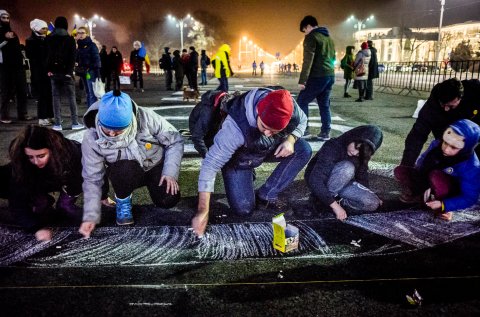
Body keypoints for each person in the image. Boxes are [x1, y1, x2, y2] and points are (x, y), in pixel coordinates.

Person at [191, 88, 312, 237]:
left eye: (275, 130)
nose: (268, 133)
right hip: (239, 158)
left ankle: (267, 194)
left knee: (303, 149)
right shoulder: (234, 128)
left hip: (262, 148)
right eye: (265, 127)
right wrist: (203, 210)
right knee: (243, 209)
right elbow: (210, 165)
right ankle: (238, 173)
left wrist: (290, 139)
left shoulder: (289, 106)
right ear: (258, 110)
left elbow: (303, 120)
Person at [79, 89, 184, 238]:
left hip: (154, 166)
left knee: (168, 200)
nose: (112, 134)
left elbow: (175, 140)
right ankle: (123, 200)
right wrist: (91, 214)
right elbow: (92, 175)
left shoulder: (147, 117)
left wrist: (170, 173)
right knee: (124, 168)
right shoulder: (91, 136)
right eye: (106, 129)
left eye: (118, 130)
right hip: (125, 172)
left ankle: (157, 186)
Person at [0, 125, 99, 241]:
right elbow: (17, 201)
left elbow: (93, 179)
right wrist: (36, 228)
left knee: (67, 208)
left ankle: (64, 203)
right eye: (30, 157)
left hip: (69, 176)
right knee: (39, 209)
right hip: (39, 179)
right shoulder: (21, 162)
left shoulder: (74, 153)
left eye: (41, 156)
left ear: (52, 151)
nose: (36, 161)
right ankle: (42, 200)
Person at [394, 119, 480, 221]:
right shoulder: (436, 144)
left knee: (436, 176)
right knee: (401, 171)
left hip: (450, 188)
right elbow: (422, 161)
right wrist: (418, 184)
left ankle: (445, 209)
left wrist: (445, 205)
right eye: (445, 142)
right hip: (432, 177)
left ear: (466, 148)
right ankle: (420, 194)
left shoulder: (472, 166)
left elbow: (470, 197)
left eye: (453, 147)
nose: (446, 149)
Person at [305, 125, 383, 220]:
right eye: (356, 148)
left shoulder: (361, 155)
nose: (354, 153)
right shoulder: (333, 146)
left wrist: (370, 192)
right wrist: (335, 207)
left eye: (359, 153)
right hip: (321, 182)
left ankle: (337, 201)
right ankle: (321, 202)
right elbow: (315, 180)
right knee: (347, 167)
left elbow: (362, 175)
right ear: (353, 138)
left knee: (372, 203)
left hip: (344, 183)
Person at [400, 78, 480, 168]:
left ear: (461, 97)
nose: (446, 109)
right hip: (446, 135)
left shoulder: (475, 91)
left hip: (471, 133)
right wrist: (407, 164)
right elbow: (417, 135)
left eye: (450, 105)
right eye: (443, 104)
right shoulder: (432, 107)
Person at [296, 15, 336, 141]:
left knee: (302, 101)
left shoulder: (311, 37)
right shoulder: (328, 38)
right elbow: (333, 57)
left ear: (308, 26)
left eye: (304, 30)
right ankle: (325, 132)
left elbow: (308, 60)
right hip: (330, 75)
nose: (305, 33)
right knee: (324, 104)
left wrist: (302, 80)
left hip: (317, 76)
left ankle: (304, 130)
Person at [46, 16, 83, 131]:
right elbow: (73, 57)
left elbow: (46, 56)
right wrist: (68, 72)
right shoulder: (70, 39)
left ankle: (57, 124)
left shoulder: (48, 38)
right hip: (66, 73)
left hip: (54, 73)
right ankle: (75, 123)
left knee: (55, 98)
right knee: (71, 97)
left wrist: (49, 70)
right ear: (66, 25)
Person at [0, 10, 31, 124]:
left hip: (18, 66)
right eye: (3, 18)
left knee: (22, 90)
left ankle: (22, 114)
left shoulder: (13, 33)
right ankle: (4, 116)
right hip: (5, 67)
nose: (6, 20)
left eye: (8, 18)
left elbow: (18, 49)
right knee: (6, 92)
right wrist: (4, 39)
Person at [25, 19, 54, 126]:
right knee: (42, 96)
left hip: (47, 72)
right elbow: (33, 57)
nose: (45, 30)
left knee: (49, 94)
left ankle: (51, 115)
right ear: (36, 28)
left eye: (46, 28)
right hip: (38, 73)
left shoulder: (47, 39)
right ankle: (42, 117)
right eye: (43, 28)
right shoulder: (31, 41)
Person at [75, 26, 101, 107]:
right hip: (82, 72)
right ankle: (90, 110)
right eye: (79, 33)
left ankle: (92, 113)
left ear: (87, 34)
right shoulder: (78, 45)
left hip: (90, 71)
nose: (80, 34)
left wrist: (93, 69)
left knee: (91, 93)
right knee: (87, 92)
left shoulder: (91, 45)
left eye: (82, 33)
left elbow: (97, 60)